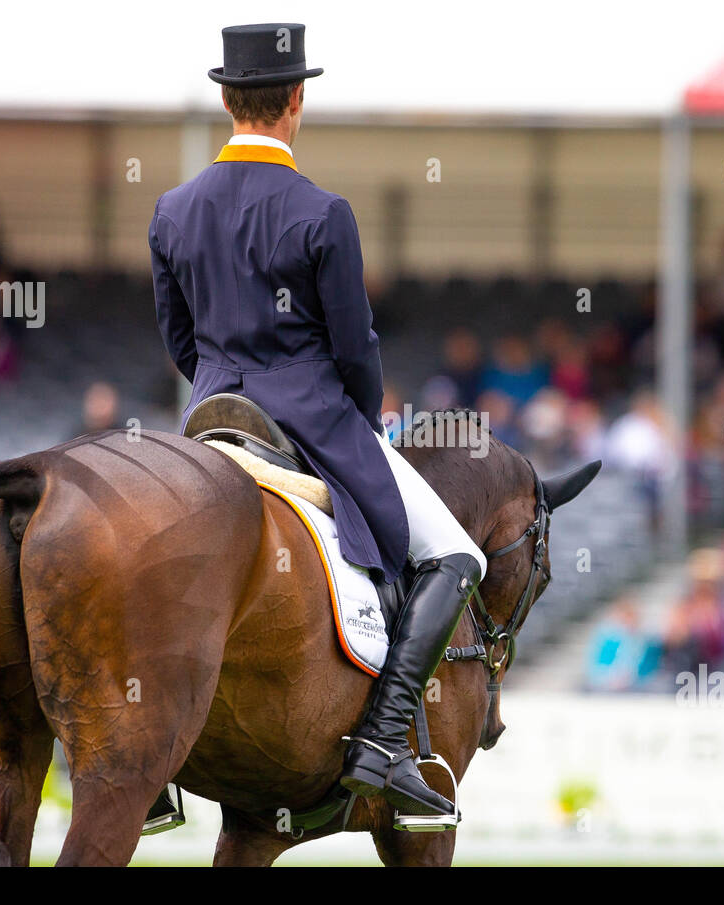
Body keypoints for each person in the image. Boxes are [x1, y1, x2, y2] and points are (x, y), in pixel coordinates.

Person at [148, 24, 486, 826]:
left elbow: (178, 339)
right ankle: (382, 744)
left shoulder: (173, 209)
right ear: (296, 99)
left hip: (212, 413)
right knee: (455, 554)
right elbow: (355, 346)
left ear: (228, 99)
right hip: (312, 415)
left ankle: (151, 764)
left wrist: (222, 383)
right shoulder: (322, 212)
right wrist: (360, 422)